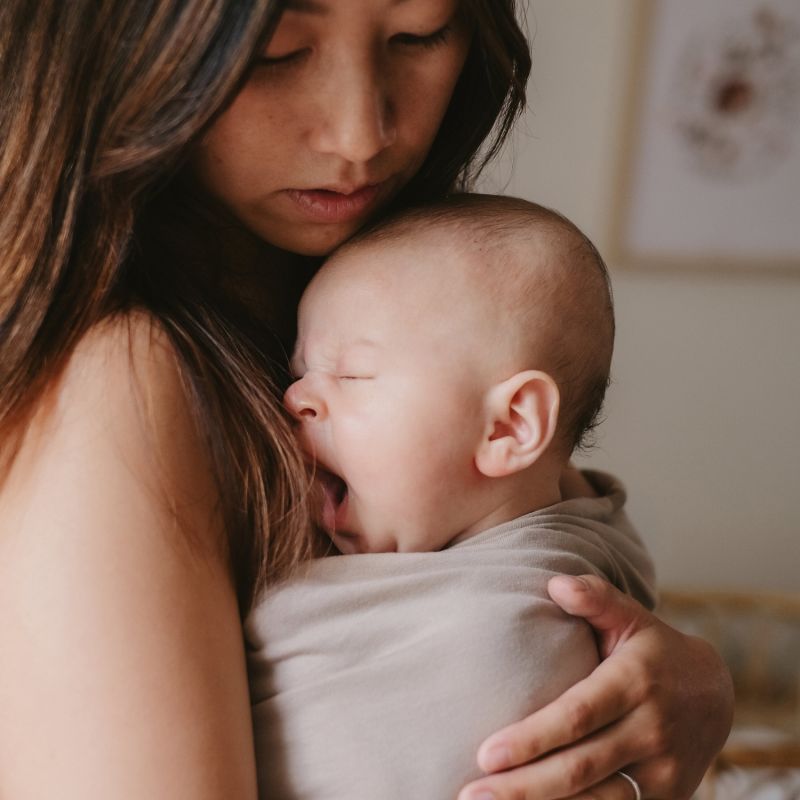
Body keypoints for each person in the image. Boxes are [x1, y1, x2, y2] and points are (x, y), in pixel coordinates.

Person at [0, 2, 733, 799]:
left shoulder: (387, 294)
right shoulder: (118, 383)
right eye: (278, 50)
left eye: (420, 33)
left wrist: (682, 688)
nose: (361, 135)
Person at [247, 194, 658, 798]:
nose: (296, 399)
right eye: (298, 374)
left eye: (353, 375)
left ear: (509, 427)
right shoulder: (598, 536)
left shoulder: (503, 637)